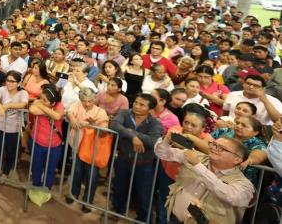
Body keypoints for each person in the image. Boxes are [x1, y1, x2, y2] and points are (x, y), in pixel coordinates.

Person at [154, 132, 254, 224]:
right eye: (214, 144)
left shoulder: (244, 184)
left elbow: (230, 195)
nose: (214, 148)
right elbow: (162, 153)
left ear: (237, 159)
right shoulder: (196, 156)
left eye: (222, 148)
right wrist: (167, 139)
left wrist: (197, 166)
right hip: (174, 219)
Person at [110, 94, 165, 222]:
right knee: (119, 187)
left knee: (143, 193)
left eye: (142, 105)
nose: (137, 106)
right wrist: (132, 137)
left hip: (144, 164)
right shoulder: (125, 113)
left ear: (150, 109)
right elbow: (114, 125)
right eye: (135, 102)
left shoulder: (155, 123)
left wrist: (132, 132)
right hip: (124, 159)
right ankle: (117, 211)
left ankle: (144, 219)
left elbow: (153, 141)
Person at [66, 87, 109, 211]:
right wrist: (73, 119)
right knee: (76, 171)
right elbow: (69, 112)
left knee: (92, 175)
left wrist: (93, 125)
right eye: (84, 100)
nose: (87, 104)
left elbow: (104, 132)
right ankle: (73, 194)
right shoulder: (77, 105)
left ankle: (87, 201)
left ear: (95, 99)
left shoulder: (100, 112)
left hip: (92, 151)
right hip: (77, 146)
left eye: (90, 101)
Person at [0, 70, 29, 194]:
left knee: (11, 153)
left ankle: (5, 173)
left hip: (14, 128)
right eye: (8, 80)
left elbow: (23, 104)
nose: (9, 83)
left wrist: (7, 106)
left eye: (13, 81)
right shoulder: (2, 90)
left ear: (19, 82)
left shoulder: (23, 93)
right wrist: (0, 106)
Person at [27, 83, 64, 195]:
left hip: (54, 145)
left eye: (44, 100)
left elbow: (57, 116)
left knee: (50, 169)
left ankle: (46, 189)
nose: (40, 100)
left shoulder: (60, 106)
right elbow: (32, 110)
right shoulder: (42, 103)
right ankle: (36, 186)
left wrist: (41, 106)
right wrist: (47, 109)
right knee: (36, 167)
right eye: (41, 98)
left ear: (53, 102)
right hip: (37, 142)